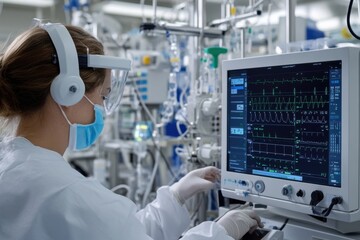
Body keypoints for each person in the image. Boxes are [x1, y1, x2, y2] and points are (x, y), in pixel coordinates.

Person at [0, 22, 262, 240]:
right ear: (68, 92)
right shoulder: (65, 193)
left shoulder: (14, 165)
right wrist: (219, 233)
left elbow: (115, 232)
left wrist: (175, 196)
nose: (101, 110)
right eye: (102, 96)